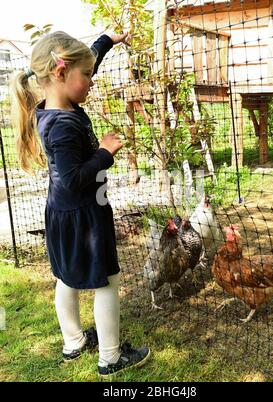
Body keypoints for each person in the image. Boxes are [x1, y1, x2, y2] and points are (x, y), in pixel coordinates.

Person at [11, 30, 150, 377]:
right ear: (60, 74)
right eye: (86, 76)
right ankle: (110, 358)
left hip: (62, 213)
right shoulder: (63, 126)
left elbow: (85, 62)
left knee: (67, 280)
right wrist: (104, 153)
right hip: (84, 216)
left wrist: (107, 40)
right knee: (107, 283)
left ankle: (73, 341)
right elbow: (74, 177)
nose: (91, 80)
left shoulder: (52, 107)